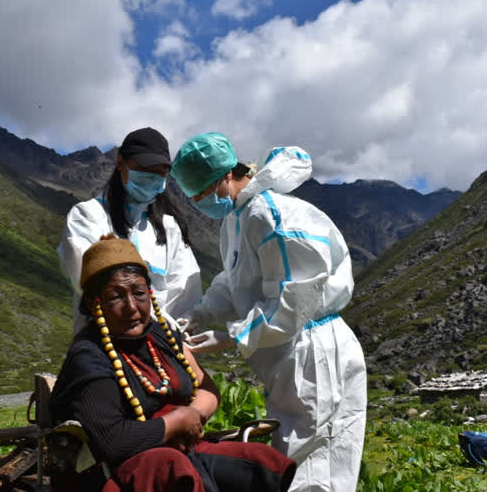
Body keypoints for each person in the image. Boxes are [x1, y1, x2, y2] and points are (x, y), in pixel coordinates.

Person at [171, 133, 367, 492]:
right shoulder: (237, 218)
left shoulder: (271, 216)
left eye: (201, 194)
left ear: (225, 176)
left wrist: (231, 336)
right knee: (316, 453)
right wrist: (201, 313)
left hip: (313, 350)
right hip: (293, 353)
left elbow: (293, 302)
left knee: (308, 456)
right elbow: (234, 282)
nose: (200, 203)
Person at [49, 236, 296, 491]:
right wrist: (174, 423)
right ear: (93, 303)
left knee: (260, 462)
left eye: (139, 293)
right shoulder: (90, 356)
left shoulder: (161, 336)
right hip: (121, 468)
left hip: (183, 449)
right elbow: (112, 441)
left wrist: (193, 417)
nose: (132, 307)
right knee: (171, 465)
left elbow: (206, 387)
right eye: (115, 297)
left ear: (150, 293)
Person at [58, 127, 202, 334]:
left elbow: (185, 291)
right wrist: (151, 317)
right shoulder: (87, 216)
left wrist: (178, 328)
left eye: (159, 172)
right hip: (104, 343)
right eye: (144, 169)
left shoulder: (169, 228)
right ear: (120, 163)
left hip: (162, 345)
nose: (152, 177)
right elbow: (88, 278)